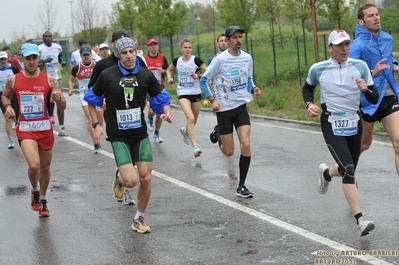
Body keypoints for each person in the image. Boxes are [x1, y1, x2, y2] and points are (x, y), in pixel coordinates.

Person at [85, 37, 174, 233]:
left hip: (140, 134)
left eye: (131, 52)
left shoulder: (145, 75)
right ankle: (120, 179)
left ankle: (138, 218)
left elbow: (160, 97)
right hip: (118, 135)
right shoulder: (108, 75)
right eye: (124, 52)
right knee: (131, 181)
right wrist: (96, 124)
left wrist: (166, 111)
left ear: (136, 52)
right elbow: (91, 99)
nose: (128, 56)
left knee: (147, 178)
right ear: (118, 54)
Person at [302, 30, 379, 236]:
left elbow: (374, 98)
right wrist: (308, 104)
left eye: (347, 44)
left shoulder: (360, 67)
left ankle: (326, 173)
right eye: (340, 45)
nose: (344, 48)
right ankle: (360, 219)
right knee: (349, 169)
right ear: (330, 48)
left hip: (355, 121)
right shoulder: (318, 68)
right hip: (331, 121)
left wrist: (365, 89)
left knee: (347, 168)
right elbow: (307, 88)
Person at [1, 43, 67, 217]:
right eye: (28, 58)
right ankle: (35, 190)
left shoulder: (49, 80)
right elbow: (5, 96)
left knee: (45, 168)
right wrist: (7, 107)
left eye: (34, 58)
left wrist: (58, 98)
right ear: (22, 58)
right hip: (26, 129)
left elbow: (63, 105)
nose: (31, 62)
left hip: (45, 129)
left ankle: (43, 199)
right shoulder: (13, 80)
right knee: (34, 165)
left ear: (39, 59)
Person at [200, 26, 261, 198]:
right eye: (234, 38)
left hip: (241, 106)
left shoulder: (247, 58)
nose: (238, 40)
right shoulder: (220, 60)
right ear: (227, 41)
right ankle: (218, 132)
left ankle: (241, 186)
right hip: (224, 109)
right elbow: (204, 81)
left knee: (246, 144)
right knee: (228, 152)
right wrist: (212, 100)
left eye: (240, 37)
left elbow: (248, 79)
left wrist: (253, 88)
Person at [88, 29, 147, 206]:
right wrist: (102, 101)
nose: (128, 54)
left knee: (136, 161)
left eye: (127, 43)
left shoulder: (138, 61)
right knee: (126, 156)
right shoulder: (103, 65)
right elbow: (93, 90)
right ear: (113, 44)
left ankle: (120, 177)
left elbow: (145, 82)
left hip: (136, 117)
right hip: (114, 116)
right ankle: (126, 187)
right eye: (118, 42)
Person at [348, 4, 399, 176]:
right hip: (369, 100)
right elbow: (350, 74)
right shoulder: (358, 45)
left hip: (389, 95)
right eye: (371, 16)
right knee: (363, 145)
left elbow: (389, 59)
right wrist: (371, 72)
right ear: (361, 21)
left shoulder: (387, 38)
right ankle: (334, 172)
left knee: (398, 142)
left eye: (377, 14)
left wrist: (396, 66)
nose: (376, 18)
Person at [166, 39, 207, 157]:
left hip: (195, 93)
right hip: (183, 92)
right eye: (185, 47)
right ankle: (195, 147)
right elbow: (169, 70)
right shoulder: (177, 61)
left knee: (194, 121)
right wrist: (169, 78)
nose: (187, 49)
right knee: (190, 118)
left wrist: (198, 76)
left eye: (189, 47)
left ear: (191, 49)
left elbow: (209, 70)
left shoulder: (196, 60)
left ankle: (185, 131)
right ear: (181, 49)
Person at [68, 45, 103, 153]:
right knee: (91, 119)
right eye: (84, 55)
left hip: (97, 94)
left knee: (99, 122)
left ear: (91, 55)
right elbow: (71, 80)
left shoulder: (97, 66)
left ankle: (97, 134)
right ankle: (96, 144)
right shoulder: (77, 68)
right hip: (84, 95)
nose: (86, 57)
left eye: (88, 55)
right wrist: (70, 88)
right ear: (81, 56)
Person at [38, 31, 68, 136]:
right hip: (45, 78)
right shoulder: (39, 49)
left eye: (49, 36)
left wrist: (62, 62)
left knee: (60, 100)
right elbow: (37, 63)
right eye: (45, 36)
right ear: (43, 38)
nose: (48, 38)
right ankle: (45, 125)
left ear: (52, 38)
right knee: (46, 102)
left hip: (57, 77)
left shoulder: (57, 47)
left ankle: (62, 127)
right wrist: (44, 61)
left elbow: (60, 58)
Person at [144, 38, 169, 143]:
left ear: (157, 46)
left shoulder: (162, 57)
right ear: (148, 47)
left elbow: (168, 71)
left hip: (160, 88)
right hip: (148, 89)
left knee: (160, 113)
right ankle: (149, 117)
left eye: (155, 45)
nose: (153, 47)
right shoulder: (144, 58)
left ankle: (157, 133)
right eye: (151, 45)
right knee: (152, 111)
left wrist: (163, 71)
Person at [0, 51, 20, 149]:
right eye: (1, 59)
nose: (3, 61)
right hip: (2, 96)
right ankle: (11, 140)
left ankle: (20, 129)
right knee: (7, 117)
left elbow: (20, 79)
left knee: (15, 116)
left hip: (13, 95)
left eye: (4, 59)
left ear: (8, 59)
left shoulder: (13, 68)